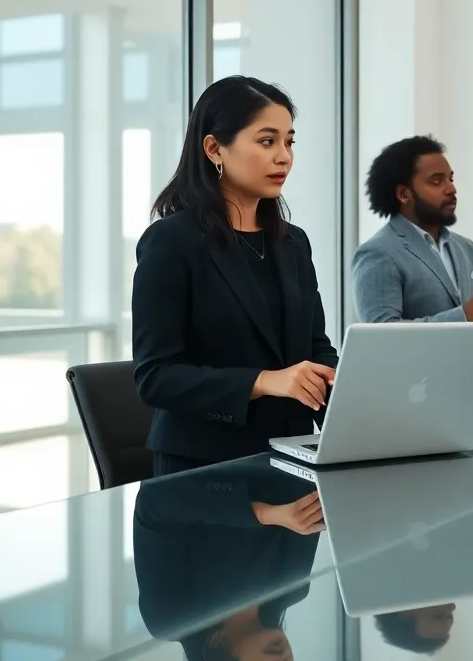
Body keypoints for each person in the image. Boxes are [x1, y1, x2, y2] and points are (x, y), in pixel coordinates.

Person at [132, 76, 339, 476]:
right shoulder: (171, 242)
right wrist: (265, 381)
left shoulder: (293, 243)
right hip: (203, 474)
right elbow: (155, 377)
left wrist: (345, 396)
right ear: (214, 149)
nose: (284, 157)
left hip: (294, 460)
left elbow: (316, 348)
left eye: (289, 142)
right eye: (267, 141)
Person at [133, 463, 324, 660]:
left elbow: (153, 501)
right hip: (281, 445)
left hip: (201, 449)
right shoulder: (292, 588)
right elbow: (310, 488)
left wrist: (261, 514)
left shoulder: (170, 619)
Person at [352, 136, 473, 323]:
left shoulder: (467, 249)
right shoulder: (378, 253)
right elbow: (381, 334)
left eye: (450, 179)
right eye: (436, 181)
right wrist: (462, 317)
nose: (451, 188)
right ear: (403, 194)